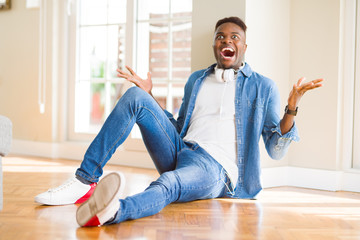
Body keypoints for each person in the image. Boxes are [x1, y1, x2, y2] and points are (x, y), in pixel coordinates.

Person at [35, 16, 323, 227]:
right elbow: (177, 128)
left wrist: (292, 106)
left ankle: (112, 212)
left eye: (234, 37)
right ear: (214, 44)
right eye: (221, 36)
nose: (227, 40)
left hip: (214, 168)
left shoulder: (263, 86)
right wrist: (149, 98)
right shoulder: (196, 80)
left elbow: (276, 148)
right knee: (135, 96)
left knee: (168, 182)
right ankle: (84, 180)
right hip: (181, 150)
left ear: (245, 46)